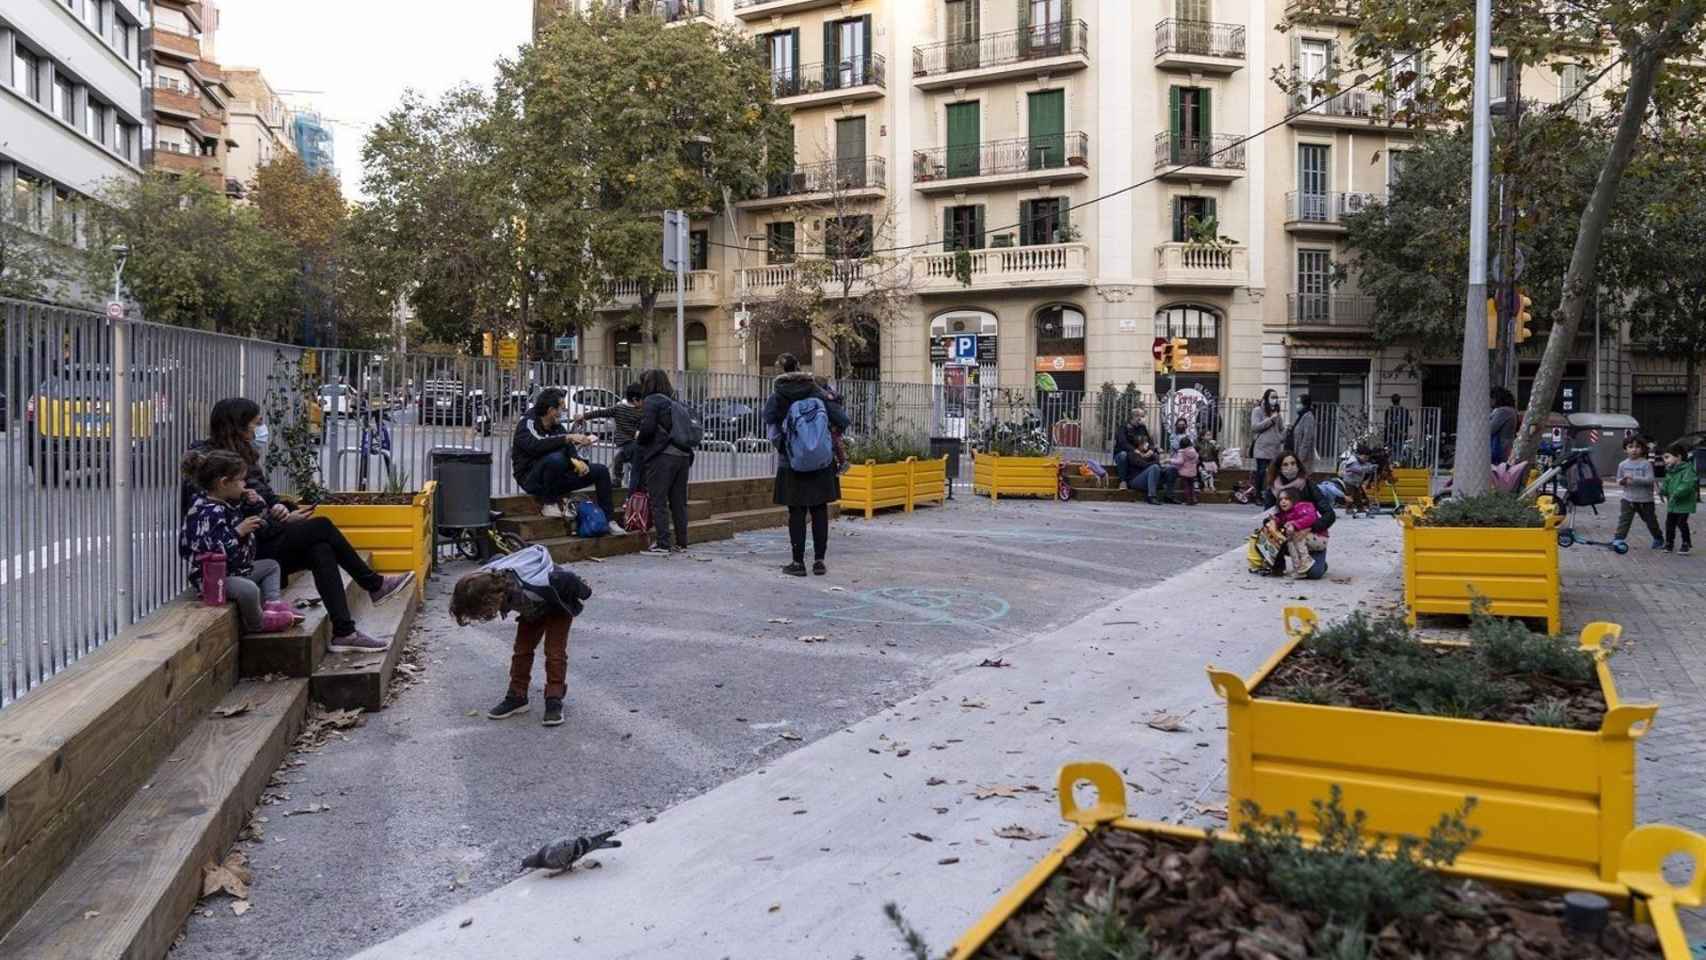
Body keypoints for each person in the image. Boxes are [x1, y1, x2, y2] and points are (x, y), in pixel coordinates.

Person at [184, 398, 413, 652]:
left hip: (258, 540)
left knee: (321, 549)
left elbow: (264, 498)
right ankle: (374, 585)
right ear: (237, 426)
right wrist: (277, 518)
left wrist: (284, 509)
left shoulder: (241, 457)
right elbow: (227, 520)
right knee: (322, 527)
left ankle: (344, 632)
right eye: (254, 424)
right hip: (244, 548)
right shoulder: (211, 467)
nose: (259, 430)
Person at [450, 544, 593, 728]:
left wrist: (585, 591)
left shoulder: (539, 582)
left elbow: (569, 579)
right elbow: (500, 557)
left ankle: (554, 699)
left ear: (490, 600)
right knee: (522, 650)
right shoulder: (488, 578)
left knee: (554, 651)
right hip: (532, 610)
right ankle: (517, 696)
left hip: (558, 605)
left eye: (481, 611)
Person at [178, 449, 298, 634]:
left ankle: (273, 604)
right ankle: (257, 623)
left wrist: (254, 504)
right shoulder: (206, 512)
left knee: (271, 566)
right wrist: (237, 532)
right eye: (241, 480)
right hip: (215, 579)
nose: (245, 484)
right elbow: (211, 551)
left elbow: (252, 518)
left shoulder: (226, 503)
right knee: (249, 589)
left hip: (238, 569)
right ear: (224, 482)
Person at [763, 353, 849, 577]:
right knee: (819, 510)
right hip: (821, 462)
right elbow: (842, 420)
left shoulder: (777, 395)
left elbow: (771, 428)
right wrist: (824, 441)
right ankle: (819, 561)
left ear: (780, 372)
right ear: (800, 368)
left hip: (791, 464)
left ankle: (797, 563)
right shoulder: (817, 391)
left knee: (796, 513)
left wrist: (788, 448)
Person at [512, 388, 626, 533]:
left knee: (601, 470)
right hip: (532, 479)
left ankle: (609, 520)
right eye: (561, 408)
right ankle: (549, 503)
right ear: (551, 410)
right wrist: (568, 437)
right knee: (555, 459)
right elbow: (535, 445)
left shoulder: (558, 427)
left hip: (558, 478)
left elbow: (569, 451)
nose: (564, 411)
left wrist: (580, 462)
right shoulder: (527, 423)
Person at [633, 368, 693, 555]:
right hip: (682, 456)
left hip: (663, 456)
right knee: (678, 502)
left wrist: (639, 438)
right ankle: (681, 543)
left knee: (658, 501)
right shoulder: (674, 402)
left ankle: (663, 544)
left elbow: (648, 429)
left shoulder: (652, 400)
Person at [1260, 451, 1337, 578]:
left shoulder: (1308, 485)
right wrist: (1273, 525)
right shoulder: (1273, 489)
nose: (1289, 467)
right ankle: (1278, 563)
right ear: (1279, 468)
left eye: (1293, 463)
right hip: (1287, 534)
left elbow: (1329, 514)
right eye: (1285, 464)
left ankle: (1317, 563)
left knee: (1314, 573)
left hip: (1310, 534)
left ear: (1298, 465)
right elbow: (1267, 516)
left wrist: (1310, 528)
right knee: (1269, 529)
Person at [575, 383, 645, 493]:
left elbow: (601, 412)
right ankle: (629, 488)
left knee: (623, 462)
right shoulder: (641, 411)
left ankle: (623, 485)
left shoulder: (619, 408)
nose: (644, 402)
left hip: (628, 444)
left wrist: (584, 416)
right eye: (643, 400)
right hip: (634, 444)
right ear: (636, 399)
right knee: (625, 463)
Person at [1614, 435, 1666, 550]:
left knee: (1650, 520)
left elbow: (1650, 480)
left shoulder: (1646, 464)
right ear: (1625, 449)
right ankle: (1618, 539)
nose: (1634, 449)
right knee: (1624, 520)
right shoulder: (1622, 464)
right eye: (1630, 447)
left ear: (1642, 449)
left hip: (1645, 500)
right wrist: (1622, 481)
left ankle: (1658, 538)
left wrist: (1634, 478)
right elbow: (1618, 479)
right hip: (1627, 498)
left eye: (1637, 447)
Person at [1267, 489, 1324, 581]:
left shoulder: (1302, 506)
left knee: (1294, 535)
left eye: (1287, 498)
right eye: (1280, 500)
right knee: (1289, 539)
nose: (1283, 501)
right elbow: (1281, 521)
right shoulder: (1284, 513)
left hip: (1319, 538)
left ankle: (1306, 560)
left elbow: (1310, 518)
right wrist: (1275, 520)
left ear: (1294, 499)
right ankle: (1298, 568)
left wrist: (1294, 524)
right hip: (1305, 539)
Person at [1246, 390, 1284, 504]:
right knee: (1261, 472)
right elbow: (1255, 427)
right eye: (1272, 397)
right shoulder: (1257, 411)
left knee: (1274, 473)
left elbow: (1280, 429)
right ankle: (1258, 495)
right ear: (1266, 398)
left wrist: (1283, 435)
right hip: (1262, 448)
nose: (1275, 399)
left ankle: (1272, 495)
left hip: (1275, 448)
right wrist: (1271, 419)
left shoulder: (1277, 413)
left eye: (1276, 397)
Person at [1659, 442, 1697, 554]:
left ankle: (1686, 543)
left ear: (1678, 456)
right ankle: (1669, 543)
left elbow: (1687, 484)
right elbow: (1666, 483)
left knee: (1682, 523)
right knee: (1669, 524)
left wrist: (1676, 493)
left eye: (1667, 457)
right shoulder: (1670, 470)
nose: (1665, 460)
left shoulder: (1688, 469)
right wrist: (1662, 491)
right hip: (1673, 503)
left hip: (1684, 503)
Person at [1112, 410, 1154, 490]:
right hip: (1123, 453)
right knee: (1123, 455)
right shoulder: (1123, 427)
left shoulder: (1143, 428)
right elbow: (1122, 443)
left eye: (1143, 416)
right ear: (1134, 417)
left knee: (1153, 455)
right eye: (1141, 416)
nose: (1142, 419)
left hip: (1136, 455)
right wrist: (1135, 450)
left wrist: (1151, 450)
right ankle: (1123, 481)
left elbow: (1150, 441)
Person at [1287, 396, 1318, 474]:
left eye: (1299, 403)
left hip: (1303, 458)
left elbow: (1307, 439)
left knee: (1302, 478)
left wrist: (1300, 458)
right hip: (1296, 454)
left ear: (1305, 404)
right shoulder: (1301, 416)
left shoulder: (1308, 417)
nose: (1296, 405)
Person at [1488, 388, 1519, 463]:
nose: (1489, 401)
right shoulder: (1511, 410)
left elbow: (1490, 429)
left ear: (1497, 399)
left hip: (1499, 447)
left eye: (1491, 398)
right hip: (1506, 446)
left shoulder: (1503, 411)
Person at [1168, 435, 1200, 506]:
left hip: (1184, 472)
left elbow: (1180, 461)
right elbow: (1197, 459)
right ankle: (1194, 499)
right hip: (1193, 472)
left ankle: (1188, 500)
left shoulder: (1182, 452)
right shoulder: (1194, 451)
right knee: (1192, 486)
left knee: (1186, 486)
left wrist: (1170, 460)